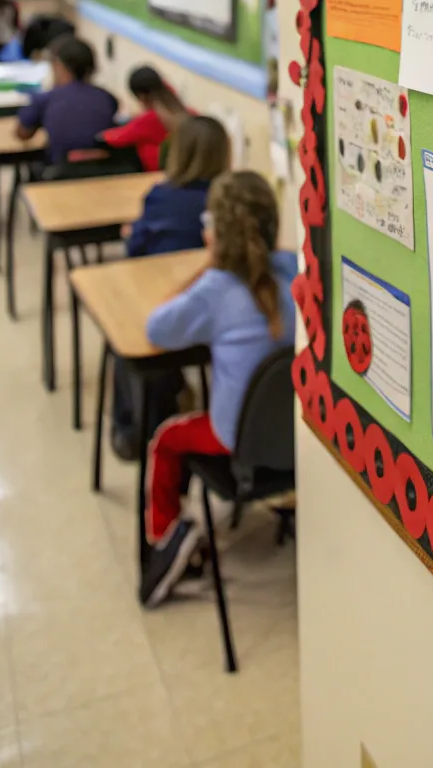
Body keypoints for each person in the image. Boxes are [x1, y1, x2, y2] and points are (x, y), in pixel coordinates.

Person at [139, 170, 296, 608]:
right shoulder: (297, 272)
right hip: (300, 439)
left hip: (238, 444)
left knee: (168, 439)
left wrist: (208, 265)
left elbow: (157, 328)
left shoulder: (216, 288)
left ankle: (168, 539)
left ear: (216, 231)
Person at [109, 115, 232, 462]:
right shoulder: (223, 203)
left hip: (165, 303)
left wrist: (134, 236)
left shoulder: (159, 196)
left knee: (125, 341)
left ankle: (131, 430)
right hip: (210, 310)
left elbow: (135, 253)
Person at [15, 34, 117, 163]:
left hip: (61, 174)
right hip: (105, 173)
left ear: (58, 66)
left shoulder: (45, 99)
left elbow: (23, 134)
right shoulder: (107, 98)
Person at [99, 65, 187, 171]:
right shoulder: (187, 112)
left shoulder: (148, 120)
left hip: (156, 174)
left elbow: (113, 138)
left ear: (141, 97)